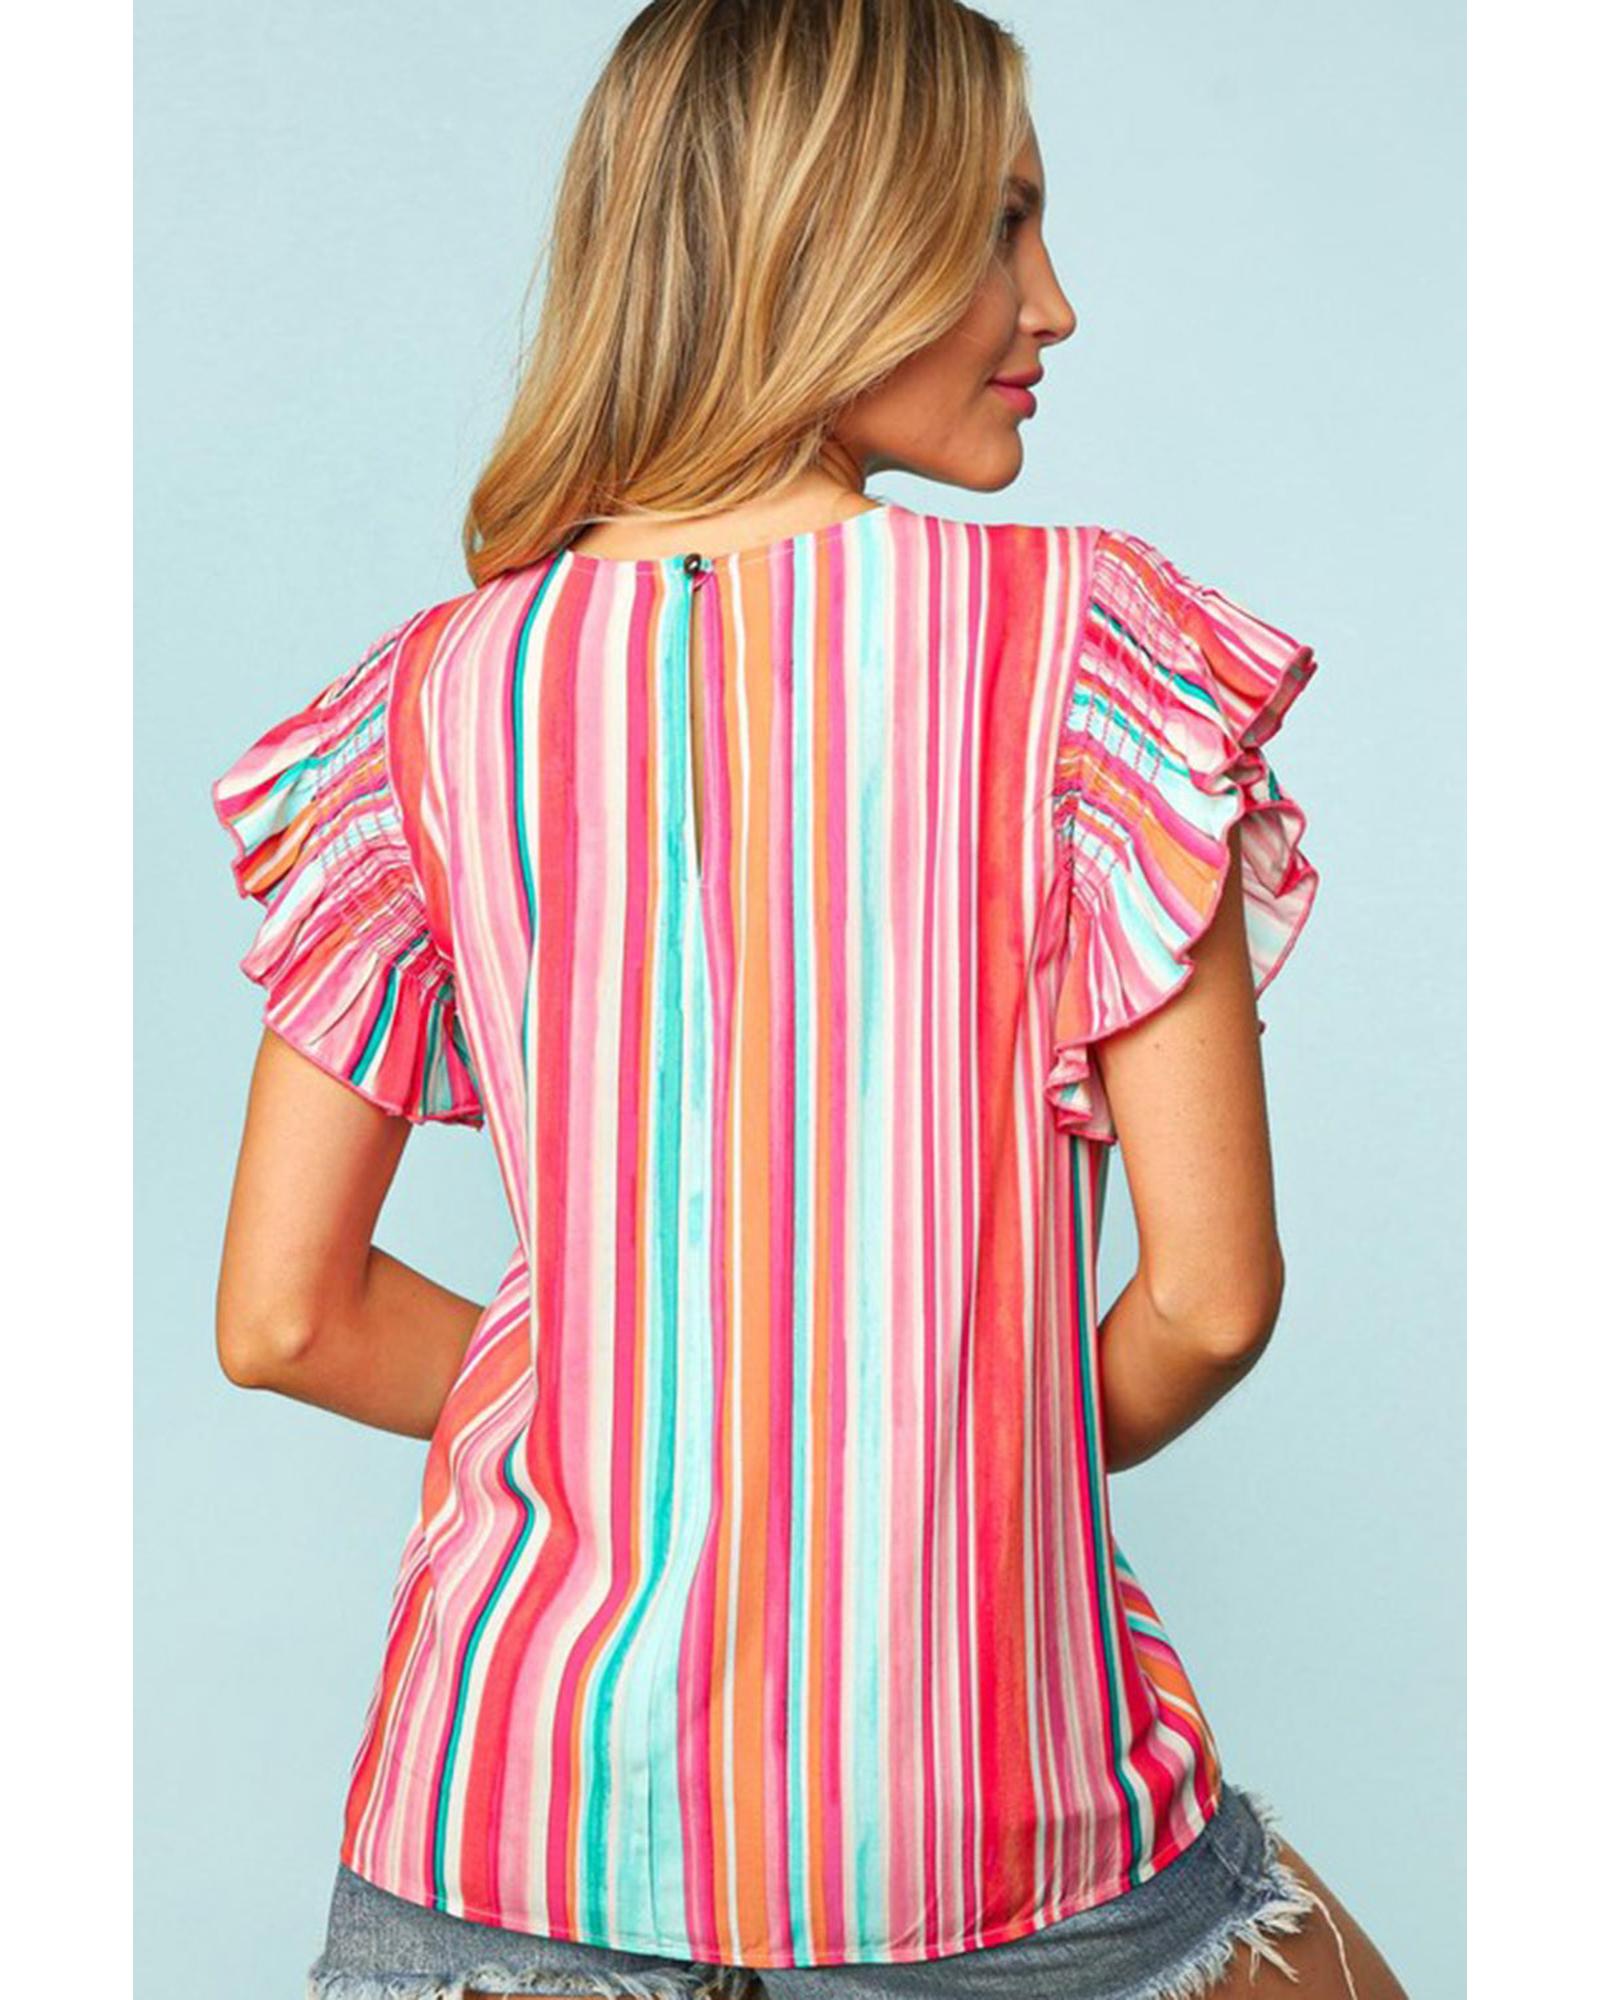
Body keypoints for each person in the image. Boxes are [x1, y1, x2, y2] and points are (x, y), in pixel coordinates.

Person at [209, 4, 1408, 1997]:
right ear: (832, 230)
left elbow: (284, 1313)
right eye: (1002, 222)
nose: (1055, 303)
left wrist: (668, 1419)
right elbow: (1208, 1300)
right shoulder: (1083, 652)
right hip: (986, 1834)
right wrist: (912, 1455)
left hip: (494, 1824)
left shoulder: (424, 706)